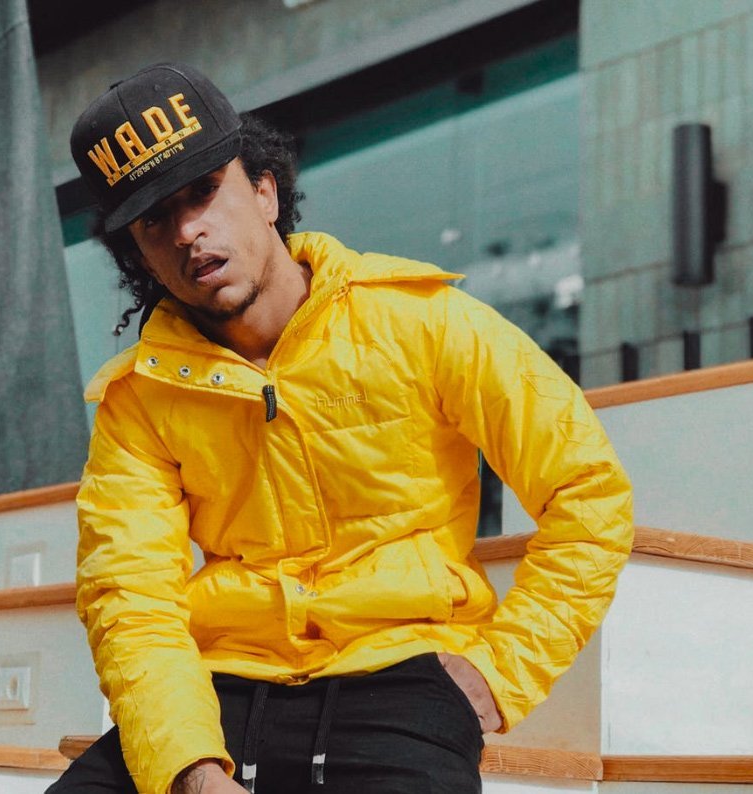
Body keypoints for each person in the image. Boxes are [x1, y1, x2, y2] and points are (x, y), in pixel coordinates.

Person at [49, 62, 633, 794]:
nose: (188, 230)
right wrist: (191, 768)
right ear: (139, 253)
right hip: (220, 681)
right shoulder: (139, 397)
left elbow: (587, 493)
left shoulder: (421, 321)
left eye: (203, 191)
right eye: (154, 220)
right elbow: (130, 598)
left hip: (401, 675)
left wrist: (499, 672)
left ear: (264, 192)